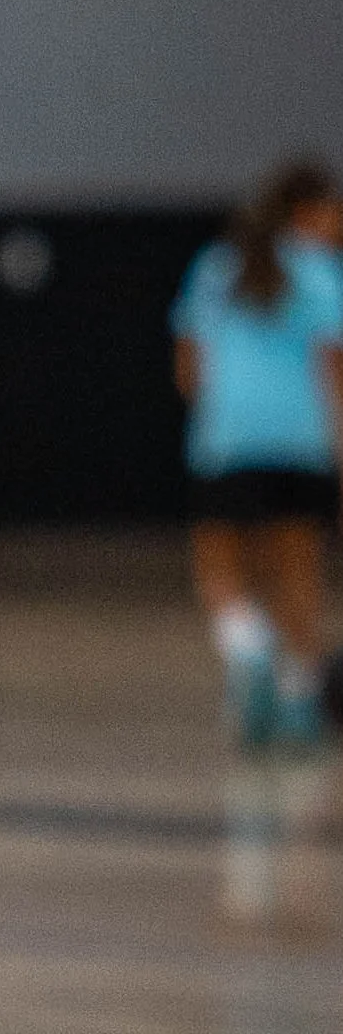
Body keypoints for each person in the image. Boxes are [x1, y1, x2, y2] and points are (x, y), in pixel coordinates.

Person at [172, 160, 343, 746]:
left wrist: (222, 417)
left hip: (228, 442)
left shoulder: (217, 266)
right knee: (299, 576)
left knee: (221, 572)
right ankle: (298, 694)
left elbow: (188, 367)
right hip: (303, 444)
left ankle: (248, 646)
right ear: (304, 211)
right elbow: (333, 370)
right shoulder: (319, 272)